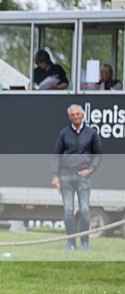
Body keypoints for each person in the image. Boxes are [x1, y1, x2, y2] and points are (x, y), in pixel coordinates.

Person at [51, 104, 103, 250]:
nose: (75, 117)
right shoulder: (64, 133)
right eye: (73, 115)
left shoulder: (92, 133)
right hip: (66, 175)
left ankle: (85, 241)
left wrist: (91, 169)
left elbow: (98, 154)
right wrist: (55, 175)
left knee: (85, 210)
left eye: (78, 114)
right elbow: (57, 155)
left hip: (83, 176)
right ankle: (71, 242)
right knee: (68, 210)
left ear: (83, 115)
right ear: (69, 117)